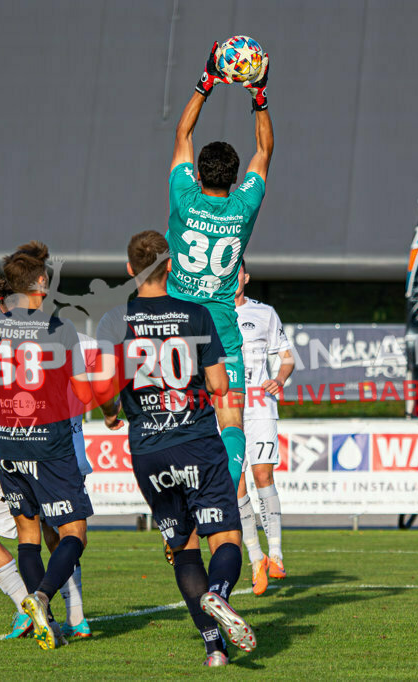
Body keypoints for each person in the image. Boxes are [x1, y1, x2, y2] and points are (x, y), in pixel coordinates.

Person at [95, 230, 256, 667]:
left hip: (148, 448)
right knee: (225, 536)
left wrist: (111, 412)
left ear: (130, 269)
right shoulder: (197, 314)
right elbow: (221, 385)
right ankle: (219, 596)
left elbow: (101, 386)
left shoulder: (114, 320)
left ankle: (213, 650)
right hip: (197, 441)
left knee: (182, 547)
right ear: (171, 265)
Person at [0, 241, 94, 651]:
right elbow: (82, 392)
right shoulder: (60, 328)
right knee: (71, 532)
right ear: (40, 282)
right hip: (55, 447)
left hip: (10, 446)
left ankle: (51, 617)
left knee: (28, 535)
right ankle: (45, 603)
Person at [166, 42, 273, 489]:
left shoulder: (183, 197)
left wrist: (205, 83)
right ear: (233, 178)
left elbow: (182, 136)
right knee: (230, 413)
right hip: (222, 323)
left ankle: (175, 501)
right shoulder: (243, 206)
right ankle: (222, 496)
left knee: (173, 417)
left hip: (174, 321)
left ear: (199, 173)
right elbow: (264, 150)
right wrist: (259, 94)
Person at [233, 260, 294, 595]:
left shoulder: (265, 313)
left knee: (262, 476)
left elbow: (287, 357)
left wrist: (279, 379)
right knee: (236, 482)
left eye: (237, 272)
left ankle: (277, 554)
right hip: (226, 409)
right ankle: (255, 559)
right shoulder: (212, 313)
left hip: (260, 407)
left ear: (246, 276)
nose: (233, 278)